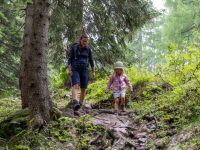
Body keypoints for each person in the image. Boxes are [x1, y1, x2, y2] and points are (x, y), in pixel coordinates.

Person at [67, 34, 95, 112]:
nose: (85, 43)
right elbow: (70, 59)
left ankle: (80, 105)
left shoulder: (88, 49)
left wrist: (93, 71)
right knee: (75, 85)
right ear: (80, 40)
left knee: (83, 88)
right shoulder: (74, 48)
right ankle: (75, 102)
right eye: (84, 41)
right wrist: (69, 69)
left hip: (85, 69)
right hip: (75, 68)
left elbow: (91, 60)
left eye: (86, 41)